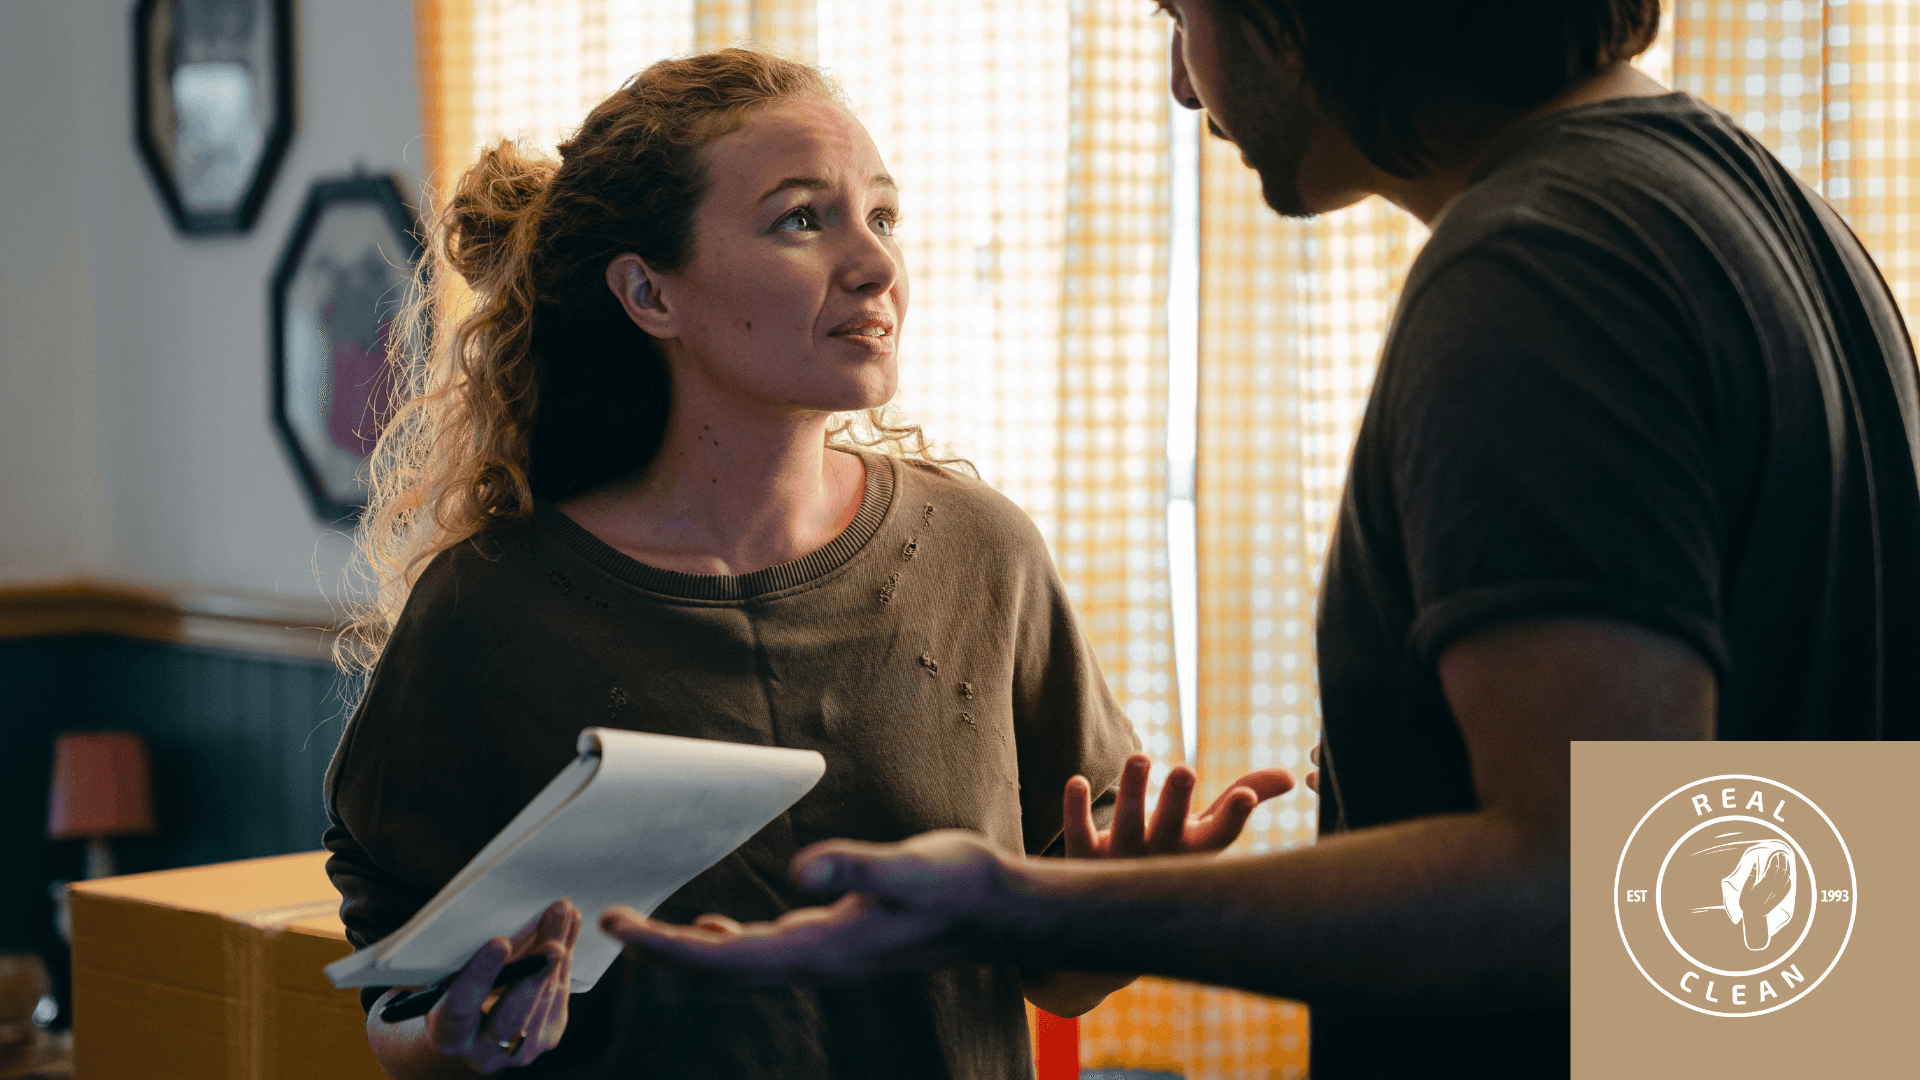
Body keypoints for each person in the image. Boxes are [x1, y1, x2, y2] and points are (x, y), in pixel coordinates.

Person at [600, 1, 1920, 1076]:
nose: (1184, 85)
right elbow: (1793, 880)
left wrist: (1023, 905)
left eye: (1184, 16)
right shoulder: (1769, 215)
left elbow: (1590, 884)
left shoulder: (1539, 269)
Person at [321, 48, 1292, 1080]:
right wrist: (449, 1042)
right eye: (801, 219)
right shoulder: (490, 609)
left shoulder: (982, 554)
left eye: (882, 216)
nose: (873, 264)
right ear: (649, 294)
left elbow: (1055, 980)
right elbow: (400, 1005)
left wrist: (1115, 906)